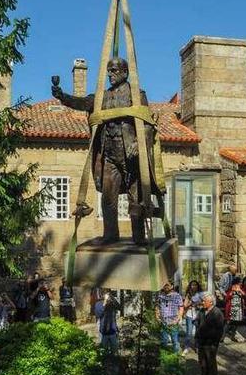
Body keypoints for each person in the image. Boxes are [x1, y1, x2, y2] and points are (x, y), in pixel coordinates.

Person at [51, 57, 163, 244]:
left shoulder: (136, 95)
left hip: (131, 154)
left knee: (136, 198)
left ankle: (138, 237)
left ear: (125, 73)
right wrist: (62, 96)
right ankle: (110, 234)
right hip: (110, 154)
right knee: (108, 198)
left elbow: (148, 124)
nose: (110, 74)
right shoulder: (102, 97)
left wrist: (139, 143)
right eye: (109, 71)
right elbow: (82, 103)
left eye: (115, 71)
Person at [193, 293, 224, 375]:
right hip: (201, 341)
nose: (202, 303)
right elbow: (197, 320)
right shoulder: (202, 311)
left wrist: (215, 342)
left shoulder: (217, 313)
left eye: (204, 301)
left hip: (210, 343)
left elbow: (220, 330)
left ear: (210, 302)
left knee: (211, 363)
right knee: (202, 362)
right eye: (202, 301)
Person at [156, 280, 184, 353]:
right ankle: (163, 356)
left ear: (172, 286)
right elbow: (157, 307)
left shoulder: (177, 296)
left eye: (167, 285)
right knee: (164, 340)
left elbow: (181, 308)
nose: (166, 286)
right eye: (164, 285)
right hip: (163, 321)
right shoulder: (160, 296)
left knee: (175, 341)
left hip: (173, 321)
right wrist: (157, 316)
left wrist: (177, 319)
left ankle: (176, 357)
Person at [224, 277, 246, 342]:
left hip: (238, 309)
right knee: (228, 323)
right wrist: (232, 291)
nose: (239, 285)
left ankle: (233, 336)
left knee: (236, 323)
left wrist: (240, 290)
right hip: (231, 309)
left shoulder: (241, 289)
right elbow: (226, 299)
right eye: (238, 283)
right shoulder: (230, 288)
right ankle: (222, 337)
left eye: (239, 284)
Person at [182, 280, 203, 356]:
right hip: (189, 314)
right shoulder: (188, 294)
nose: (194, 286)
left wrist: (199, 304)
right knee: (189, 333)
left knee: (198, 332)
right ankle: (186, 347)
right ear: (190, 286)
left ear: (198, 286)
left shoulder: (200, 294)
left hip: (197, 314)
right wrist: (190, 303)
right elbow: (184, 305)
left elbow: (204, 303)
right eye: (192, 285)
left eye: (195, 285)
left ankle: (197, 346)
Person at [96, 291, 120, 355]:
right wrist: (104, 302)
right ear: (102, 295)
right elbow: (98, 314)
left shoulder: (112, 304)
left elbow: (119, 307)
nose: (108, 297)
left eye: (109, 295)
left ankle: (114, 361)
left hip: (113, 331)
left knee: (114, 351)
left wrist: (112, 298)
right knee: (103, 351)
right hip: (103, 333)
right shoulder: (98, 304)